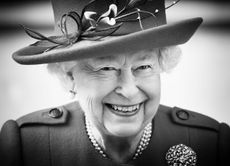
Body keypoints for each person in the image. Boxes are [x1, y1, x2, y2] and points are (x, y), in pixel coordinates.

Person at [0, 0, 229, 166]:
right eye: (106, 69)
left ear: (162, 66)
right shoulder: (27, 147)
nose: (129, 90)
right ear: (69, 76)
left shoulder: (209, 143)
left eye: (143, 67)